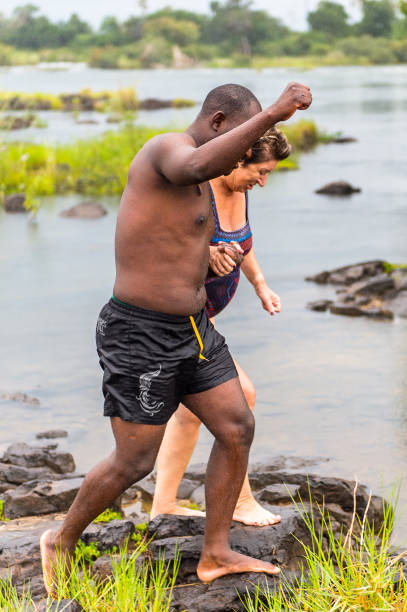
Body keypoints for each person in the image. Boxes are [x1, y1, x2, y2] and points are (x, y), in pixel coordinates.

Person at [40, 82, 312, 592]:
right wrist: (277, 111)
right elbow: (193, 168)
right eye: (235, 138)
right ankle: (61, 540)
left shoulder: (209, 184)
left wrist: (214, 257)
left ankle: (215, 554)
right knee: (135, 460)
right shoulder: (167, 149)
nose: (237, 154)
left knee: (236, 426)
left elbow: (182, 232)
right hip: (139, 333)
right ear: (215, 123)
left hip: (194, 328)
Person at [151, 128, 291, 527]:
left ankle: (163, 503)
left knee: (189, 412)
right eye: (260, 171)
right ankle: (241, 501)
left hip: (201, 316)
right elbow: (162, 244)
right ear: (239, 158)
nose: (263, 182)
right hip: (175, 313)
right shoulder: (198, 190)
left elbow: (243, 244)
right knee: (239, 395)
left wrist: (260, 285)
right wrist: (206, 254)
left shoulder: (240, 190)